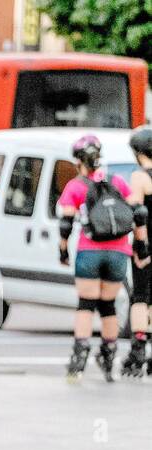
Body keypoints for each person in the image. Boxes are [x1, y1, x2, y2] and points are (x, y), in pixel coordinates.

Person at [59, 135, 140, 382]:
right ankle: (108, 357)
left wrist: (63, 250)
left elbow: (66, 223)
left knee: (86, 305)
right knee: (108, 307)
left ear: (77, 161)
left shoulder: (75, 186)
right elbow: (135, 213)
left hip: (90, 251)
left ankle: (79, 359)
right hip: (118, 253)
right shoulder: (116, 181)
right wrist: (141, 246)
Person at [122, 126, 152, 378]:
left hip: (147, 241)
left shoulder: (140, 177)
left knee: (140, 296)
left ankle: (138, 349)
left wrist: (141, 247)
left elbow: (138, 214)